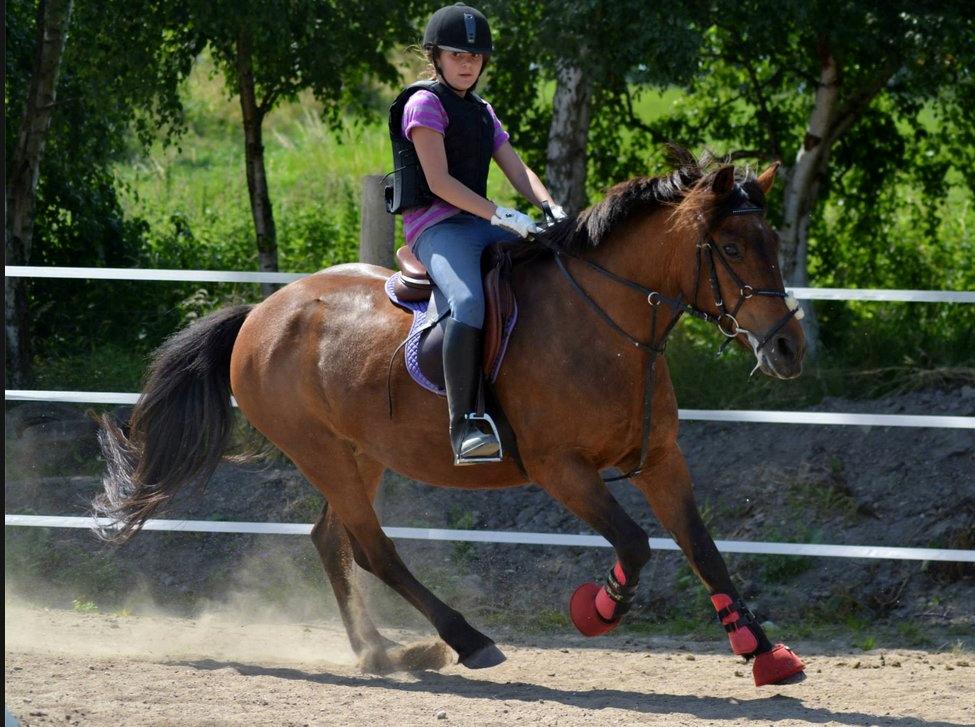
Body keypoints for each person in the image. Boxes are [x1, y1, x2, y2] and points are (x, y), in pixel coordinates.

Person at [386, 3, 565, 465]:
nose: (466, 64)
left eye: (474, 57)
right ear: (437, 57)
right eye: (455, 55)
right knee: (467, 301)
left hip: (483, 223)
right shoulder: (423, 104)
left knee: (552, 274)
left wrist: (548, 207)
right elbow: (441, 182)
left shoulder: (484, 111)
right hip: (438, 227)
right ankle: (463, 424)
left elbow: (517, 167)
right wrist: (501, 214)